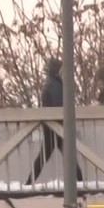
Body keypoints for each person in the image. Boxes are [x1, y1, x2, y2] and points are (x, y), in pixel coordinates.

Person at [27, 57, 83, 185]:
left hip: (52, 127)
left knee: (47, 157)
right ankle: (81, 182)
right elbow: (61, 106)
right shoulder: (55, 85)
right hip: (56, 127)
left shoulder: (52, 84)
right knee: (67, 156)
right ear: (57, 70)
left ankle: (28, 183)